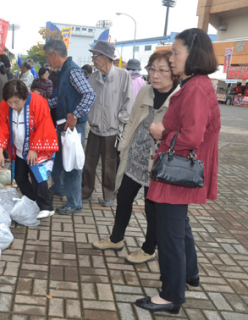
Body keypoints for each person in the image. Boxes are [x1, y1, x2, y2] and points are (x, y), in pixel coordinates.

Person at [136, 28, 220, 314]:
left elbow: (193, 136)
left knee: (169, 233)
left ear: (192, 54)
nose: (171, 58)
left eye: (175, 52)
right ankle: (189, 273)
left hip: (177, 168)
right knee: (179, 226)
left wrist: (163, 133)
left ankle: (171, 295)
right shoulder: (197, 83)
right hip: (181, 168)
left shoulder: (195, 87)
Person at [91, 50, 180, 265]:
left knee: (153, 207)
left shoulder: (178, 97)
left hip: (158, 163)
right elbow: (132, 120)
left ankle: (149, 249)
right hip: (135, 156)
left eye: (162, 70)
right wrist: (124, 146)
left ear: (174, 73)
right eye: (152, 69)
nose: (156, 75)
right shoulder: (146, 90)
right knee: (123, 198)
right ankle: (116, 239)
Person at [0, 80, 59, 219]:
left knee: (37, 175)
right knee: (19, 177)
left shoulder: (38, 102)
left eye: (16, 102)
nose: (13, 106)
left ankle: (46, 206)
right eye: (10, 102)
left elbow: (44, 125)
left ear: (24, 97)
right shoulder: (5, 105)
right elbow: (1, 128)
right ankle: (32, 200)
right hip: (18, 147)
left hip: (36, 147)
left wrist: (34, 149)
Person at [44, 39, 97, 215]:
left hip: (73, 126)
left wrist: (76, 114)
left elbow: (90, 94)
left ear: (55, 55)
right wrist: (43, 103)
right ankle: (58, 187)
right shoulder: (63, 71)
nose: (47, 61)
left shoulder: (73, 71)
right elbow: (61, 99)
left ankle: (74, 202)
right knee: (59, 157)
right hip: (63, 124)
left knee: (72, 162)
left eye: (47, 56)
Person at [81, 40, 133, 207]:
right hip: (95, 128)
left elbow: (129, 100)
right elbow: (87, 100)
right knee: (89, 163)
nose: (93, 59)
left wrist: (120, 121)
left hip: (112, 129)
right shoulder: (93, 77)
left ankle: (109, 195)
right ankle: (85, 190)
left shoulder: (123, 76)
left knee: (109, 165)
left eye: (95, 56)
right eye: (93, 56)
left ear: (105, 57)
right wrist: (91, 117)